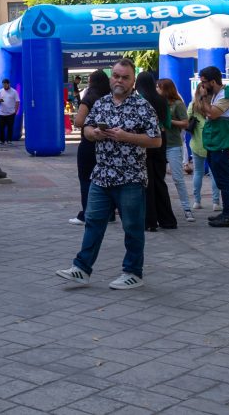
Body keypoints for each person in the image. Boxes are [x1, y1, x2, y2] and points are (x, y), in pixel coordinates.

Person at [56, 59, 161, 290]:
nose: (119, 81)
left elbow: (156, 140)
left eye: (124, 77)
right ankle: (82, 268)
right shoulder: (102, 103)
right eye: (116, 76)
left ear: (133, 80)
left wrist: (127, 137)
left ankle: (133, 272)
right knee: (93, 222)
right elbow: (86, 128)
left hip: (130, 177)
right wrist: (93, 133)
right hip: (102, 175)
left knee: (132, 227)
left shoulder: (142, 107)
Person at [196, 65, 229, 228]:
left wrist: (203, 98)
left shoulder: (228, 94)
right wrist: (204, 99)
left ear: (213, 81)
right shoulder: (216, 95)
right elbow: (205, 112)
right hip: (216, 142)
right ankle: (226, 212)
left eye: (204, 83)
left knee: (224, 180)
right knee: (220, 179)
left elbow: (212, 114)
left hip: (224, 143)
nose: (202, 86)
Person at [136, 71, 176, 231]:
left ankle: (150, 221)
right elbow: (167, 122)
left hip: (144, 141)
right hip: (161, 140)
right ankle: (168, 220)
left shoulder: (139, 100)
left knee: (146, 182)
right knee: (159, 180)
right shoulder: (162, 99)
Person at [70, 70, 110, 225]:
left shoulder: (89, 98)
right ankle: (109, 213)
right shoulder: (109, 98)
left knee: (86, 180)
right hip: (107, 144)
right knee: (105, 179)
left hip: (89, 144)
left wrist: (90, 124)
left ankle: (86, 213)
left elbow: (79, 122)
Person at [156, 79, 194, 221]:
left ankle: (187, 208)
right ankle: (162, 209)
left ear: (165, 89)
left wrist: (168, 120)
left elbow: (185, 123)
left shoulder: (177, 104)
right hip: (158, 145)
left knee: (178, 178)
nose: (156, 90)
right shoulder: (157, 102)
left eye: (158, 87)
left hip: (173, 144)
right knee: (159, 179)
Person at [186, 92, 221, 211]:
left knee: (198, 172)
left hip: (197, 143)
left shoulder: (193, 105)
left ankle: (197, 201)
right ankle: (216, 202)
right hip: (214, 143)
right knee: (214, 173)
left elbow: (187, 120)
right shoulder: (215, 105)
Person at [0, 79, 19, 144]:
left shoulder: (14, 92)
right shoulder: (0, 91)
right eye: (3, 84)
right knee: (1, 127)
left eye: (6, 84)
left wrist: (16, 111)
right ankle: (2, 141)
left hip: (11, 113)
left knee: (10, 127)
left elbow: (17, 101)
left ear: (9, 84)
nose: (4, 85)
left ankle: (9, 140)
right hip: (1, 113)